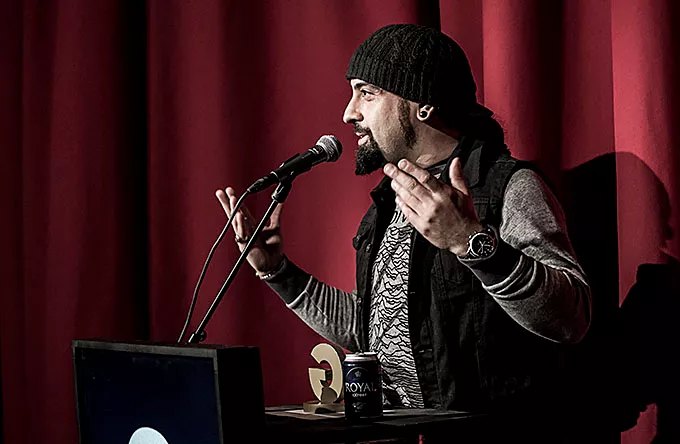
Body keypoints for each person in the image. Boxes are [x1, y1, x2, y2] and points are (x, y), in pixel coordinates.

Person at [217, 24, 592, 442]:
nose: (349, 113)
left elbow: (572, 319)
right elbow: (373, 331)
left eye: (367, 92)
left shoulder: (508, 187)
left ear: (422, 104)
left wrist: (470, 242)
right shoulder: (389, 201)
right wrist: (279, 272)